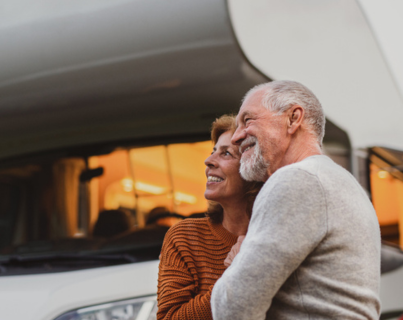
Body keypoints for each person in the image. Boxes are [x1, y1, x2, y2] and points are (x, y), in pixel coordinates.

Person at [211, 80, 381, 320]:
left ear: (293, 119)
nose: (237, 137)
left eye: (247, 121)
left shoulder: (296, 180)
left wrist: (239, 261)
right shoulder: (342, 182)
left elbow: (234, 308)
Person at [156, 115, 263, 320]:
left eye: (226, 154)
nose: (208, 161)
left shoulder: (280, 241)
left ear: (254, 172)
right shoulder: (184, 237)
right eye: (213, 151)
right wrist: (234, 276)